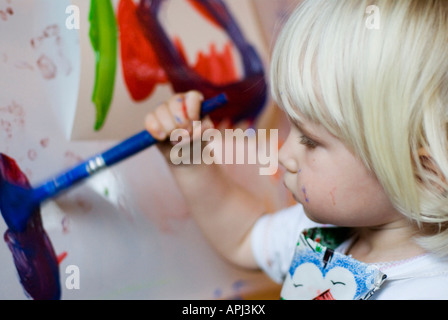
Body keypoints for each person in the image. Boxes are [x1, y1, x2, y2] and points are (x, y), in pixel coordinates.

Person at [144, 0, 448, 299]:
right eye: (293, 130)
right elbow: (244, 237)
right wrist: (190, 162)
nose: (283, 155)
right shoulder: (323, 232)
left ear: (425, 172)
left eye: (311, 141)